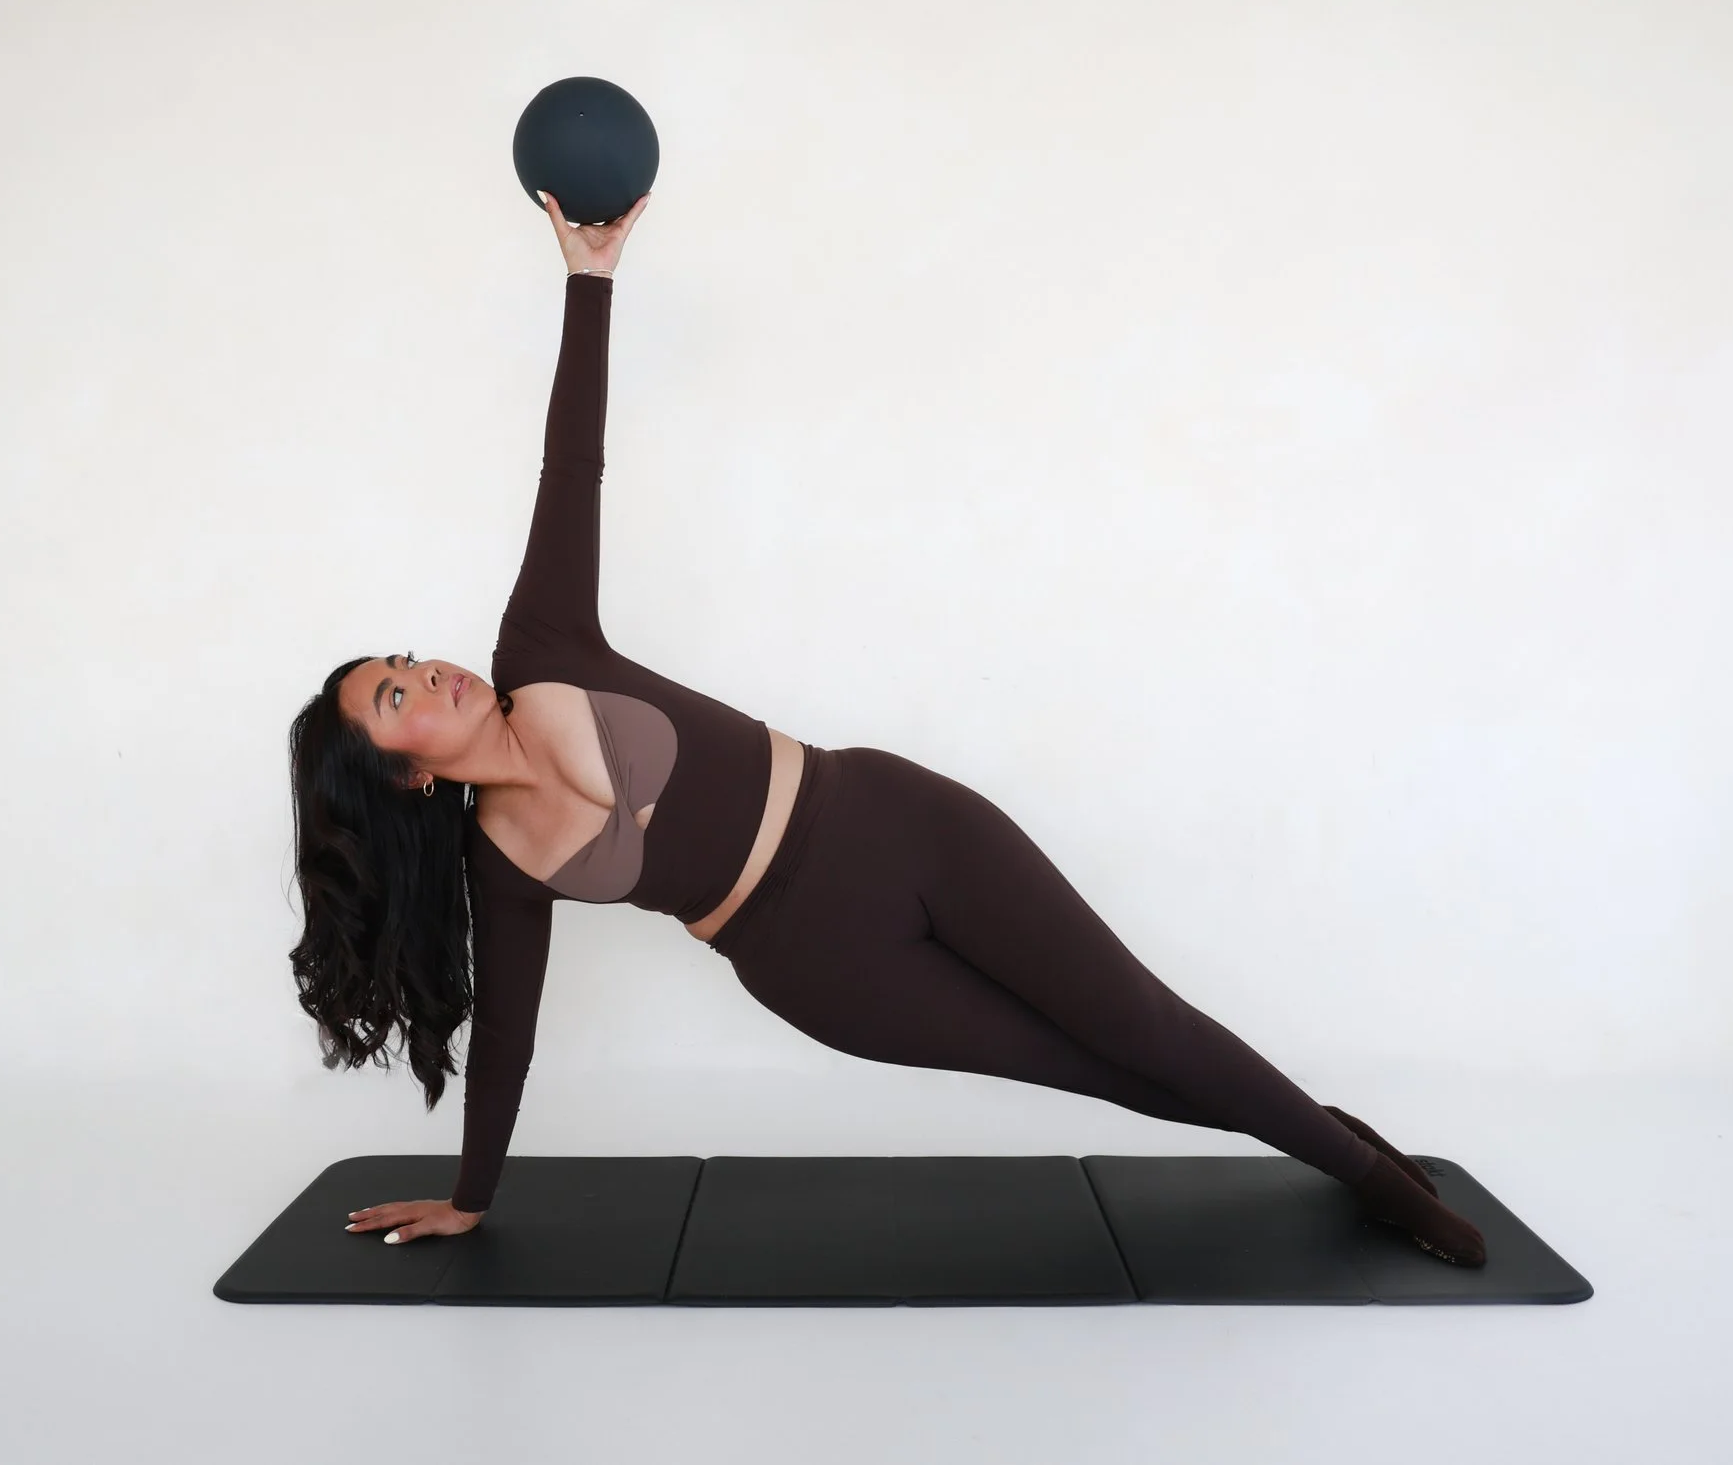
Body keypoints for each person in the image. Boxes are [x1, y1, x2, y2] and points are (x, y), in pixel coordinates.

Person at [286, 192, 1489, 1267]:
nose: (425, 672)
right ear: (401, 777)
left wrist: (588, 282)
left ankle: (1371, 1176)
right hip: (820, 968)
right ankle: (1328, 1139)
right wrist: (472, 1195)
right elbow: (508, 1028)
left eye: (405, 659)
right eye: (396, 696)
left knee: (1141, 1023)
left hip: (893, 823)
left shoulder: (542, 644)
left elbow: (572, 463)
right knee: (1093, 1067)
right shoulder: (500, 862)